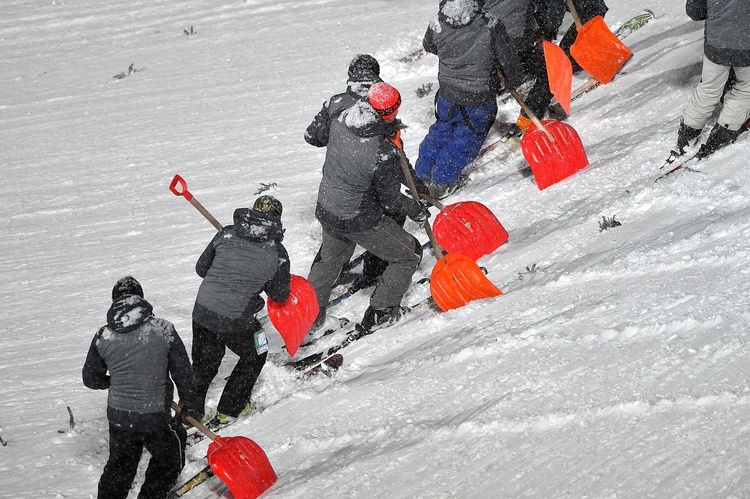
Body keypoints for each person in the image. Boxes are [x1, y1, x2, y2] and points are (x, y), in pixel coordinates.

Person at [305, 57, 428, 320]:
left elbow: (315, 134)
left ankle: (309, 316)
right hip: (357, 216)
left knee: (330, 260)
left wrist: (416, 184)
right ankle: (382, 310)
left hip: (327, 205)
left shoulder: (340, 116)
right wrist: (415, 209)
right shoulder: (380, 152)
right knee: (408, 254)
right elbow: (391, 201)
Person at [82, 276, 199, 499]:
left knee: (119, 467)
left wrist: (112, 381)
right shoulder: (164, 330)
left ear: (114, 301)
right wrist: (189, 406)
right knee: (169, 459)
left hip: (120, 416)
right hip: (154, 415)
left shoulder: (103, 335)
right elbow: (183, 372)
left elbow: (90, 379)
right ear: (141, 299)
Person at [191, 195, 291, 427]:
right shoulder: (277, 253)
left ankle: (190, 414)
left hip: (203, 310)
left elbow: (201, 268)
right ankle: (230, 409)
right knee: (257, 351)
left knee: (204, 364)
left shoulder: (226, 233)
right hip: (235, 319)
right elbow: (279, 295)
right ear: (276, 221)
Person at [415, 0, 525, 199]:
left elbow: (429, 45)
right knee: (466, 139)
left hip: (448, 94)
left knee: (442, 129)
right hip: (479, 97)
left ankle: (421, 173)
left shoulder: (438, 23)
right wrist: (513, 80)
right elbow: (508, 59)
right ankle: (441, 182)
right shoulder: (490, 24)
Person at [674, 0, 750, 160]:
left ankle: (687, 135)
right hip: (746, 45)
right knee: (745, 89)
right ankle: (723, 133)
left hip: (717, 44)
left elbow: (695, 11)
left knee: (708, 88)